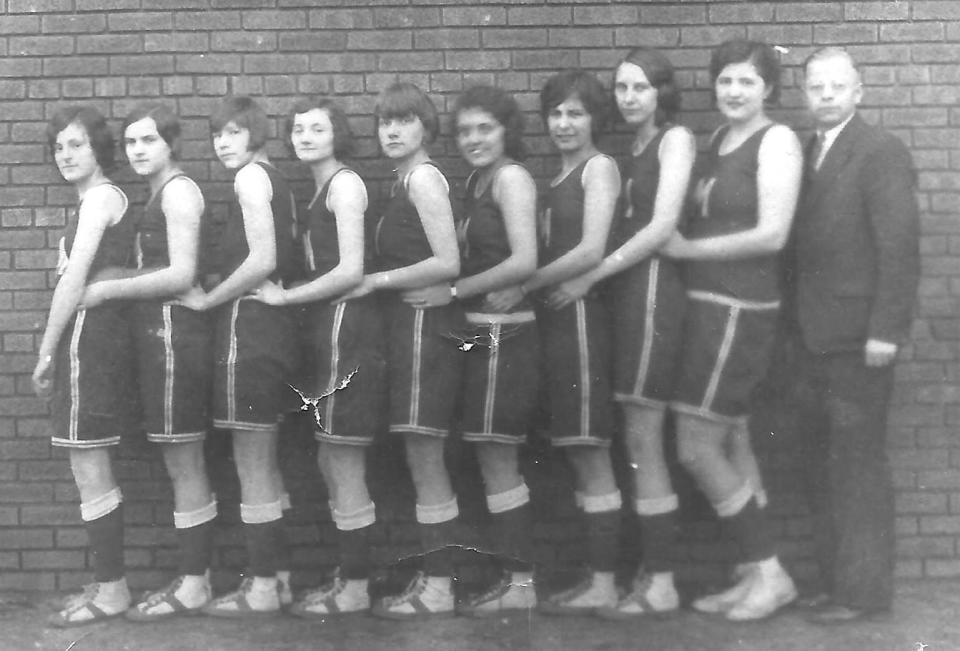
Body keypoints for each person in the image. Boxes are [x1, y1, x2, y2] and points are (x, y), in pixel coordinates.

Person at [546, 49, 694, 619]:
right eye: (623, 89)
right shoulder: (628, 151)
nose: (631, 98)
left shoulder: (674, 139)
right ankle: (631, 577)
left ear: (663, 92)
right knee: (633, 440)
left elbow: (661, 227)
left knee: (643, 438)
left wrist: (592, 274)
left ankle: (661, 583)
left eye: (641, 87)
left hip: (655, 291)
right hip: (627, 299)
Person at [661, 39, 801, 621]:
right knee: (732, 441)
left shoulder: (779, 141)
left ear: (768, 87)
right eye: (725, 82)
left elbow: (773, 233)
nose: (734, 92)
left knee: (695, 446)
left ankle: (771, 572)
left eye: (746, 81)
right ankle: (751, 576)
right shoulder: (717, 141)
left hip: (741, 309)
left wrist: (691, 249)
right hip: (706, 306)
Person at [790, 47, 919, 624]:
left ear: (859, 91)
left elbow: (899, 246)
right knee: (819, 465)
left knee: (857, 466)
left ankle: (864, 594)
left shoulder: (879, 151)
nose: (825, 95)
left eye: (836, 86)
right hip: (808, 338)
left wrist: (886, 330)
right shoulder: (803, 151)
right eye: (815, 86)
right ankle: (834, 584)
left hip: (858, 341)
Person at [401, 85, 540, 616]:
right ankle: (512, 582)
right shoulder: (475, 181)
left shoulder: (512, 177)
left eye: (485, 128)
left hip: (509, 335)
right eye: (464, 130)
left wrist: (455, 292)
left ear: (507, 130)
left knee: (499, 456)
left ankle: (523, 586)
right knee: (486, 454)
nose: (473, 139)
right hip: (481, 335)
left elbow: (525, 259)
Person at [77, 102, 216, 621]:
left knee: (185, 458)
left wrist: (110, 287)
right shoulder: (157, 193)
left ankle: (196, 582)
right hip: (160, 338)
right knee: (176, 457)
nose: (137, 150)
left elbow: (181, 272)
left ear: (171, 144)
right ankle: (192, 577)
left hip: (179, 338)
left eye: (148, 140)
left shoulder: (179, 191)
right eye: (131, 142)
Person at [252, 97, 386, 617]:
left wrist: (285, 297)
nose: (305, 137)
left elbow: (351, 270)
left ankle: (356, 588)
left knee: (343, 458)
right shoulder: (317, 190)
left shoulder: (346, 185)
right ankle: (349, 578)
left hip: (351, 331)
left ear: (339, 134)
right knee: (331, 458)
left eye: (317, 128)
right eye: (298, 129)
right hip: (328, 331)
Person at [337, 82, 463, 619]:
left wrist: (375, 280)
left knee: (426, 456)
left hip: (425, 330)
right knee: (417, 455)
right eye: (385, 121)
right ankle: (433, 582)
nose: (391, 130)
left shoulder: (426, 179)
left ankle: (440, 588)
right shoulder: (403, 180)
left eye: (404, 120)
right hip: (406, 329)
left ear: (426, 128)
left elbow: (448, 262)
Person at [177, 96, 298, 617]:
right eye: (216, 135)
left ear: (255, 133)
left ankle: (264, 587)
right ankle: (282, 580)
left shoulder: (251, 178)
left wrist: (208, 297)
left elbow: (264, 259)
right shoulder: (276, 179)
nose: (222, 143)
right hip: (270, 331)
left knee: (253, 463)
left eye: (232, 132)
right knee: (264, 462)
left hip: (249, 331)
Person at [511, 69, 621, 616]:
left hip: (580, 321)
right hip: (553, 324)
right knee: (574, 453)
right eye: (555, 113)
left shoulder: (599, 168)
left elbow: (591, 249)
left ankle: (607, 581)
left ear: (595, 118)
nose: (563, 123)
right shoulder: (554, 177)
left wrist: (524, 282)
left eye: (575, 113)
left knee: (590, 450)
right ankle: (595, 576)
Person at [33, 105, 138, 627]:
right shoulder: (93, 201)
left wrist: (48, 349)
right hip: (94, 341)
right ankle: (108, 581)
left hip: (88, 344)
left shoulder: (101, 197)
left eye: (76, 145)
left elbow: (73, 284)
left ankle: (114, 588)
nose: (66, 155)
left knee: (88, 462)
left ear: (99, 149)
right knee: (87, 463)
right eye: (59, 147)